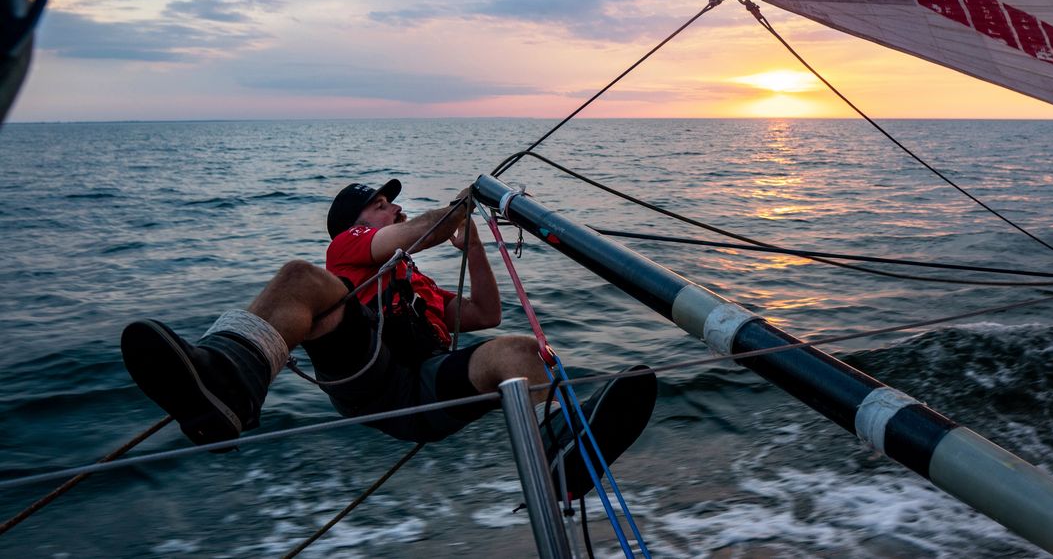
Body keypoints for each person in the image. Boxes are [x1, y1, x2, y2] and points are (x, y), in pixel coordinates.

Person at [121, 179, 657, 499]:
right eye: (381, 204)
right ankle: (228, 380)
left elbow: (484, 312)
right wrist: (457, 209)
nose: (394, 207)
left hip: (425, 391)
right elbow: (420, 228)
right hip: (371, 380)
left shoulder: (415, 283)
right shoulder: (348, 249)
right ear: (359, 226)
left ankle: (561, 452)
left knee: (521, 350)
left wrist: (471, 246)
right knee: (300, 278)